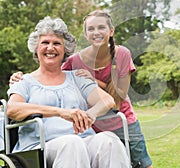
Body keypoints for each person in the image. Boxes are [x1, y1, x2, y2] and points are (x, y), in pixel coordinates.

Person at [10, 10, 153, 168]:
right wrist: (60, 112)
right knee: (72, 143)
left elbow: (107, 101)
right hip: (42, 146)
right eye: (45, 43)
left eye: (57, 43)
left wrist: (90, 114)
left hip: (82, 140)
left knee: (109, 140)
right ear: (36, 48)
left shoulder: (76, 78)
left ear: (65, 50)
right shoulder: (24, 81)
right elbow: (13, 109)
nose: (51, 48)